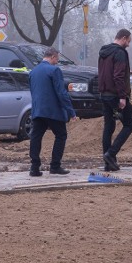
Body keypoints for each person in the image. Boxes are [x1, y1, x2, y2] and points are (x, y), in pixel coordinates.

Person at [28, 47, 77, 176]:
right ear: (53, 57)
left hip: (38, 110)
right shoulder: (55, 70)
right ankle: (55, 166)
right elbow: (61, 93)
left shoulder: (33, 72)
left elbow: (33, 91)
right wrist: (71, 111)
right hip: (53, 111)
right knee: (61, 135)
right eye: (57, 59)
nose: (57, 61)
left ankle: (34, 167)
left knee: (36, 137)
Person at [98, 29, 132, 172]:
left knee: (108, 127)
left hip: (104, 94)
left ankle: (108, 163)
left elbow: (107, 72)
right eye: (129, 41)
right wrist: (122, 97)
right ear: (124, 38)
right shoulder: (120, 52)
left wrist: (127, 72)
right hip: (116, 95)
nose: (128, 44)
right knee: (129, 124)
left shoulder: (104, 52)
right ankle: (111, 154)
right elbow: (118, 77)